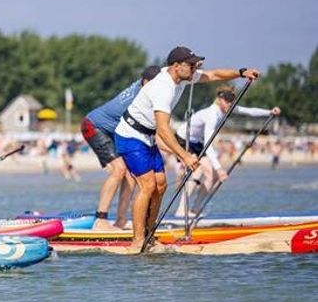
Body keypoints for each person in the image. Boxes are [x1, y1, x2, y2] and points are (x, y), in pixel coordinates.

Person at [114, 46, 259, 252]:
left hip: (147, 136)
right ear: (176, 66)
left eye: (194, 64)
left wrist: (241, 72)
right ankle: (137, 240)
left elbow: (213, 74)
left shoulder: (183, 76)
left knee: (161, 185)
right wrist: (184, 156)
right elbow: (163, 129)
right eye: (190, 64)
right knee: (147, 186)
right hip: (130, 135)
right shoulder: (163, 87)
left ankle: (149, 234)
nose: (194, 68)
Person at [174, 86, 279, 217]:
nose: (230, 104)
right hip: (184, 139)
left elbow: (249, 111)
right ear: (219, 99)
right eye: (227, 101)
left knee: (215, 177)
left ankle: (195, 209)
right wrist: (219, 168)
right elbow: (208, 143)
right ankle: (181, 210)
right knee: (199, 170)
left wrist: (269, 112)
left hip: (197, 142)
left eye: (232, 101)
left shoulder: (226, 108)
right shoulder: (211, 114)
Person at [81, 65, 161, 230]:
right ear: (145, 82)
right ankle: (100, 219)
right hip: (93, 126)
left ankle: (121, 220)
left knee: (131, 174)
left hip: (114, 131)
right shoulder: (140, 97)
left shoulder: (145, 85)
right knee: (118, 170)